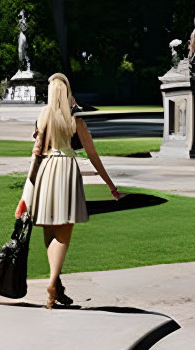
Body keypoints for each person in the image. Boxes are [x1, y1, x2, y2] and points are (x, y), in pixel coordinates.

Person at [16, 73, 122, 309]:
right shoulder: (75, 118)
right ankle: (53, 283)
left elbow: (35, 155)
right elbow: (92, 154)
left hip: (45, 171)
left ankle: (57, 286)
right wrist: (111, 186)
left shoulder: (42, 116)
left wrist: (27, 191)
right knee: (63, 233)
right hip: (66, 171)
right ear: (67, 92)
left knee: (50, 230)